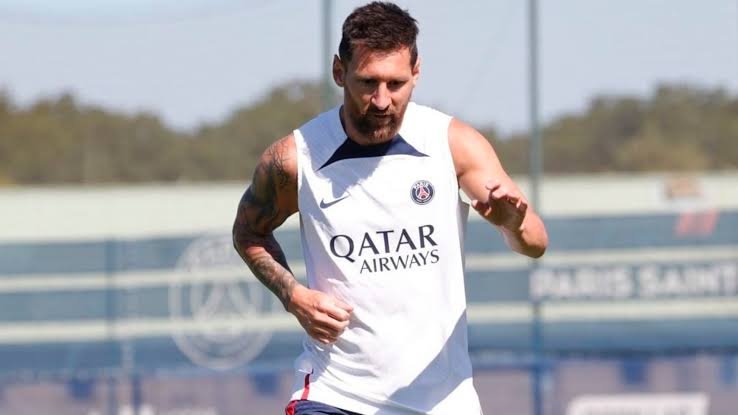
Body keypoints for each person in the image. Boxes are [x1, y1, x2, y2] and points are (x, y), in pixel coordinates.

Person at [232, 2, 548, 414]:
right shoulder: (295, 159)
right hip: (334, 394)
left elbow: (535, 242)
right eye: (368, 83)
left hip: (441, 401)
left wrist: (512, 224)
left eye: (396, 84)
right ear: (339, 72)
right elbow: (248, 232)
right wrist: (293, 296)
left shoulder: (452, 143)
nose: (382, 100)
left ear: (416, 72)